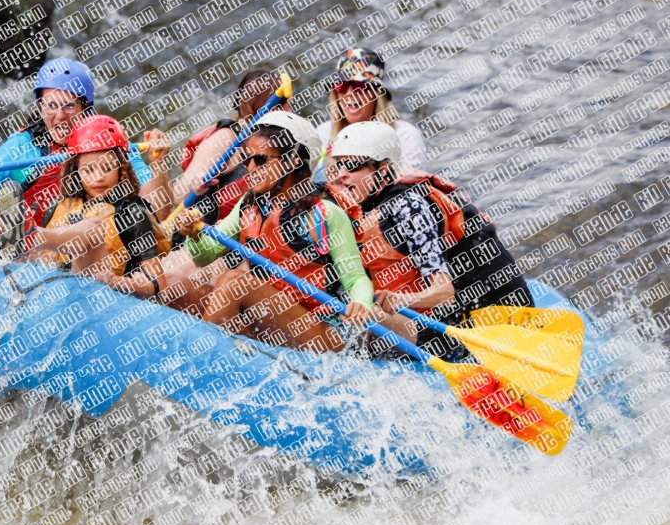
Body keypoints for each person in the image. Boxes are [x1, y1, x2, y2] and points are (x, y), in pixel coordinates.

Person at [0, 58, 172, 251]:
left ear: (86, 107)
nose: (58, 117)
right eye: (50, 105)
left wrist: (158, 163)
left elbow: (157, 209)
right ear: (39, 105)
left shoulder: (106, 138)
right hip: (39, 252)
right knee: (9, 214)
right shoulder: (23, 147)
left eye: (69, 106)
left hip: (101, 244)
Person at [320, 121, 532, 356]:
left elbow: (444, 293)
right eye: (339, 165)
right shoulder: (369, 206)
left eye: (352, 166)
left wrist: (401, 299)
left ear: (382, 170)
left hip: (486, 324)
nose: (341, 176)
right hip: (452, 315)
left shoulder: (409, 207)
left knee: (369, 312)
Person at [174, 111, 373, 354]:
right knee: (180, 290)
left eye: (260, 160)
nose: (249, 168)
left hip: (323, 331)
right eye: (247, 159)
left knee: (235, 282)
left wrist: (361, 304)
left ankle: (202, 363)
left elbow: (356, 279)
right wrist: (193, 235)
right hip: (271, 318)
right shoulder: (250, 203)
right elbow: (204, 256)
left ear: (292, 161)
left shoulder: (326, 213)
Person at [28, 114, 170, 300]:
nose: (98, 177)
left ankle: (30, 235)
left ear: (122, 168)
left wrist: (123, 283)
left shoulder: (132, 215)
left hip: (109, 300)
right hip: (65, 293)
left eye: (107, 168)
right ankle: (8, 230)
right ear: (75, 170)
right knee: (37, 256)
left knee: (93, 228)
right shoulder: (57, 208)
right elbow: (44, 264)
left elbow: (159, 286)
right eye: (88, 170)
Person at [174, 69, 303, 226]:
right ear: (273, 108)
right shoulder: (227, 137)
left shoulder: (272, 145)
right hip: (200, 237)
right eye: (289, 107)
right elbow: (178, 194)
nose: (293, 113)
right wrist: (197, 181)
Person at [313, 48, 427, 175]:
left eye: (360, 86)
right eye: (342, 85)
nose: (350, 94)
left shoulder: (405, 137)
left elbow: (409, 190)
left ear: (377, 94)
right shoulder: (322, 134)